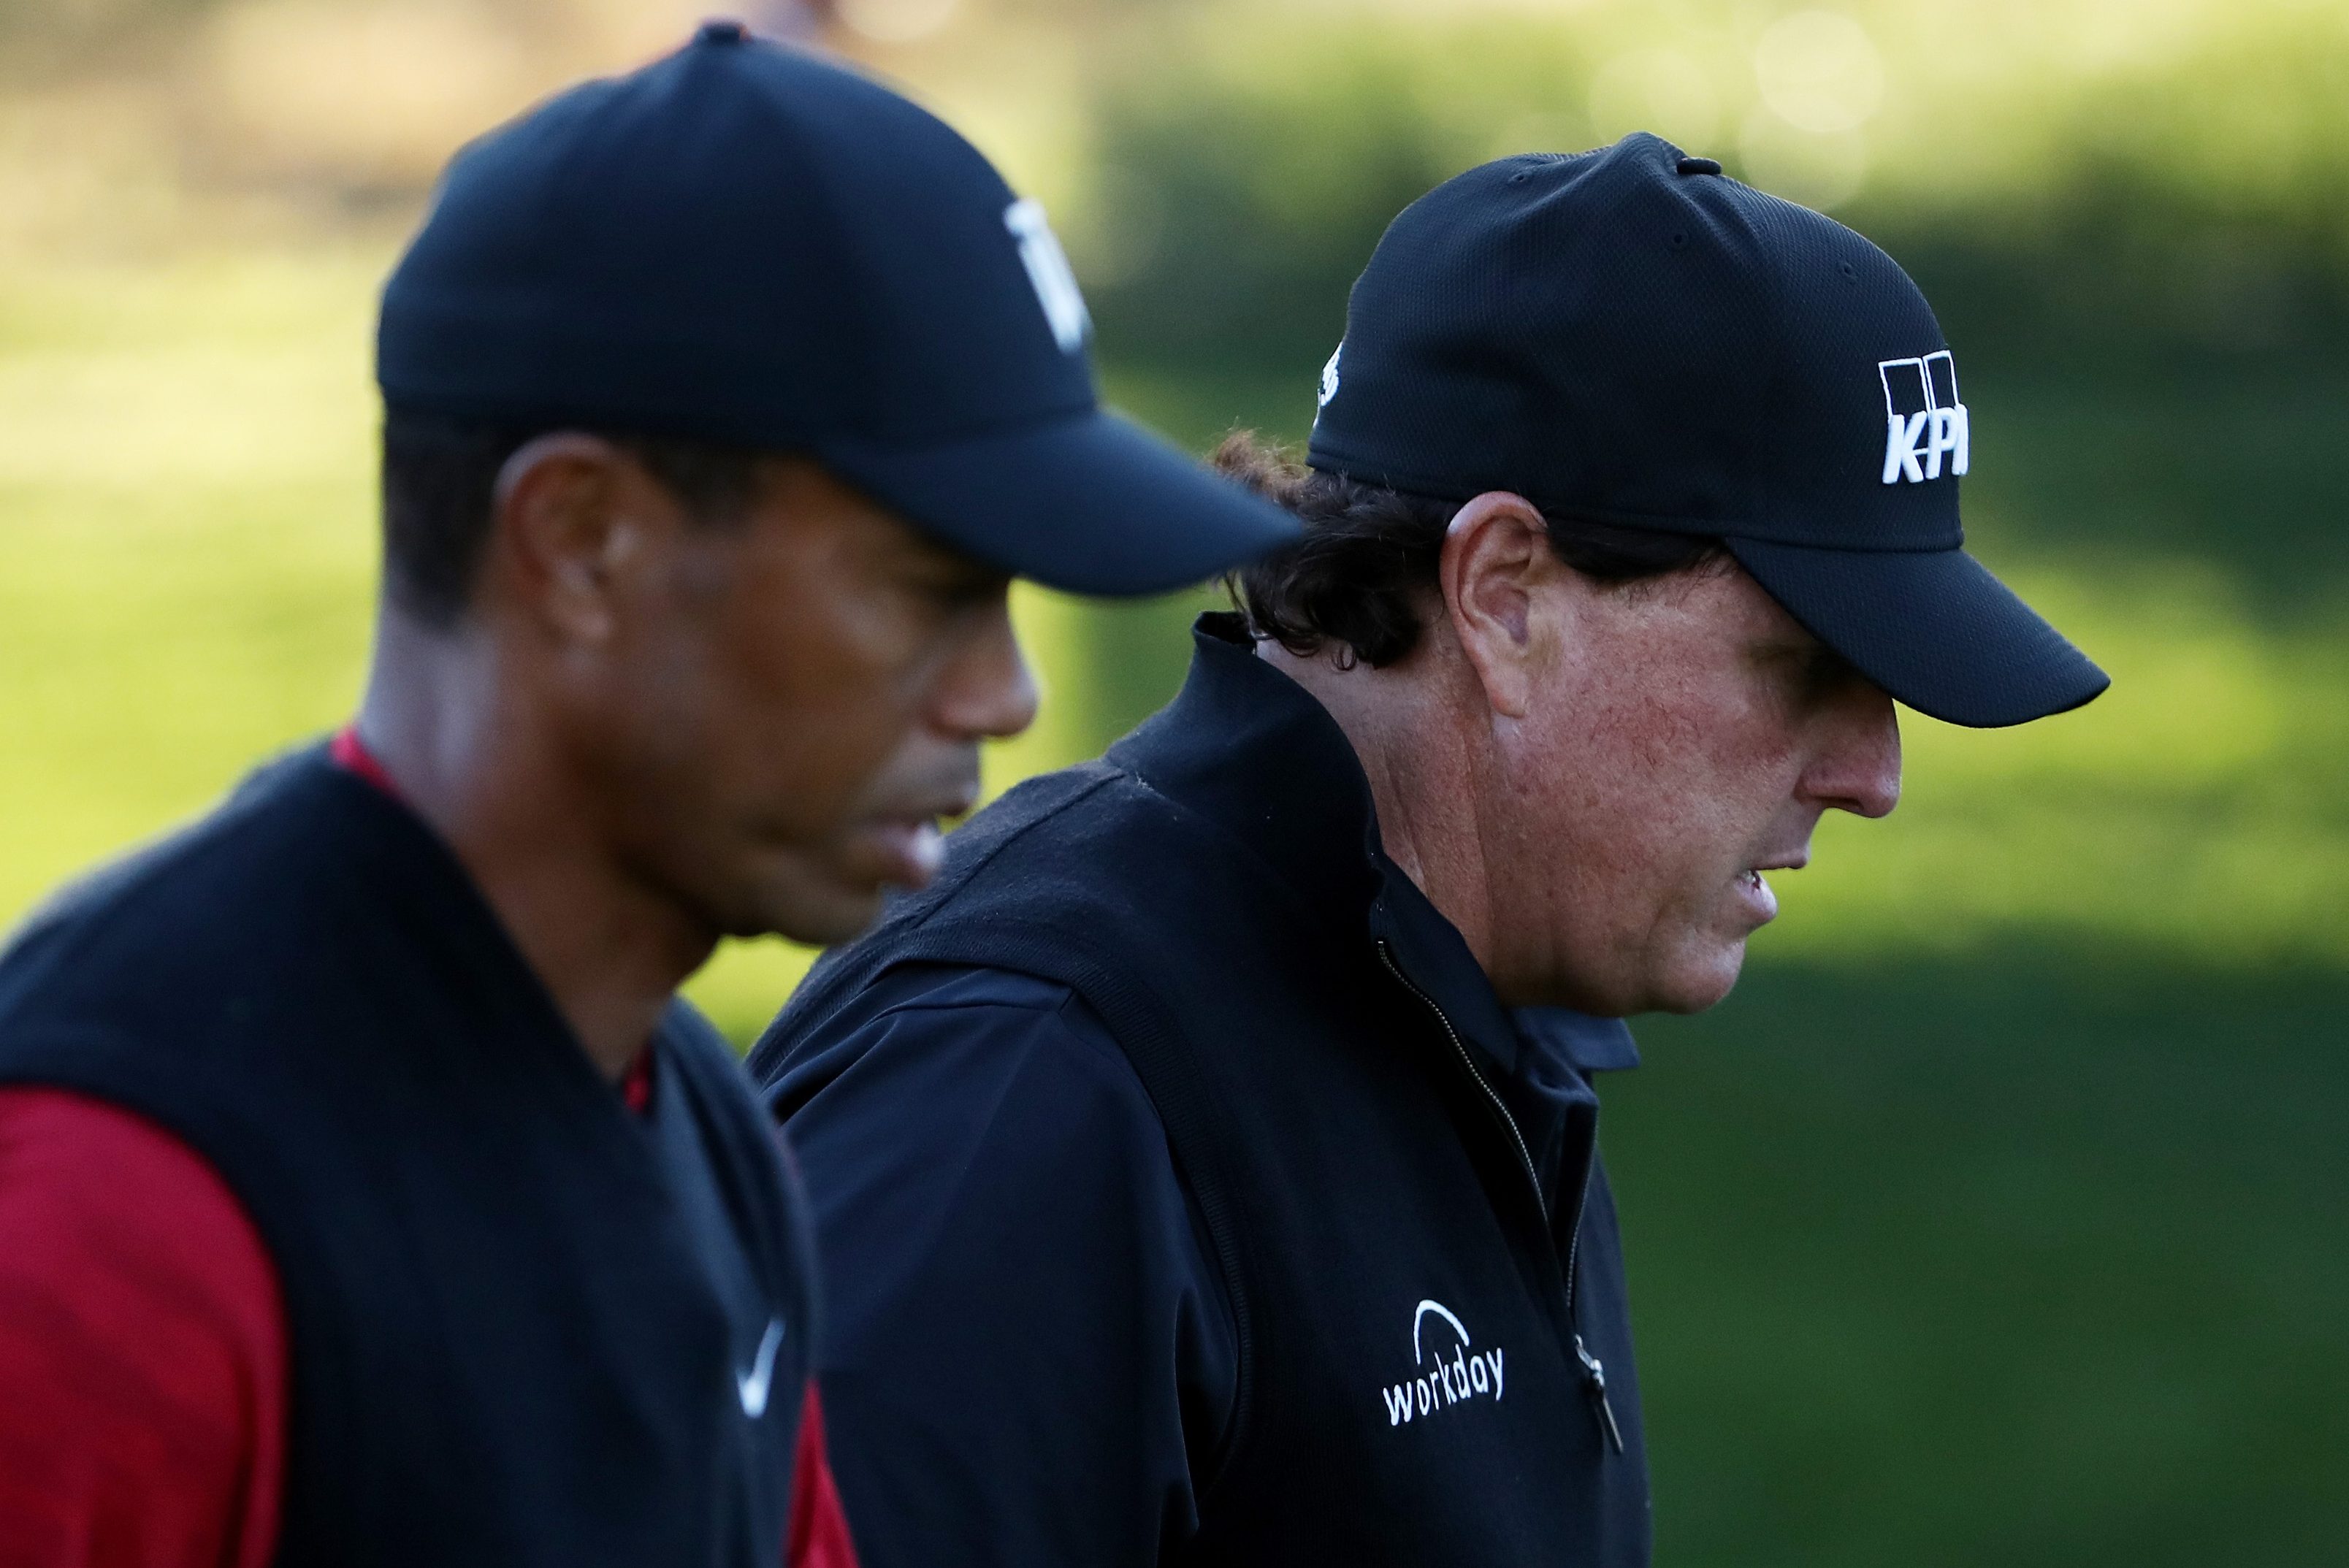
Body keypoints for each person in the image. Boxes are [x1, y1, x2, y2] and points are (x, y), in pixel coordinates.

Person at [0, 23, 1291, 1568]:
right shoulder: (121, 1209)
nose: (1004, 692)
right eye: (925, 586)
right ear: (583, 541)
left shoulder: (703, 1135)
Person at [748, 133, 2110, 1568]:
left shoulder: (1470, 992)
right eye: (1803, 666)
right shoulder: (1029, 1091)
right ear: (1506, 597)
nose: (1874, 775)